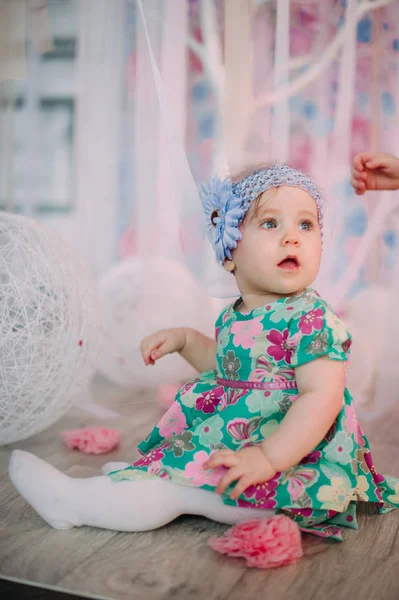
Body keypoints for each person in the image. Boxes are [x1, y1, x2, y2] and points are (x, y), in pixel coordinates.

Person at [9, 164, 398, 540]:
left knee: (175, 493)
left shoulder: (312, 317)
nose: (292, 237)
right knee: (176, 474)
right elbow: (228, 368)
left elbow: (322, 398)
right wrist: (185, 341)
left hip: (285, 472)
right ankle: (145, 476)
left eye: (306, 224)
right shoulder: (237, 314)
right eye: (270, 223)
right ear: (229, 253)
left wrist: (267, 459)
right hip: (242, 447)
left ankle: (74, 504)